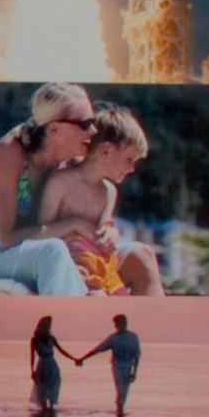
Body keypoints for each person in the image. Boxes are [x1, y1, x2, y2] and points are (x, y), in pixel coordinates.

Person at [0, 82, 95, 296]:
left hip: (33, 256)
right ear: (54, 128)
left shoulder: (71, 163)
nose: (93, 131)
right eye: (85, 124)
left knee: (136, 254)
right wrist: (72, 225)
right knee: (53, 251)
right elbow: (6, 239)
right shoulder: (10, 152)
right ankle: (72, 327)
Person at [31, 105, 151, 296]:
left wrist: (111, 232)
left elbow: (105, 227)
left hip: (100, 264)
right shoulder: (61, 182)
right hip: (71, 262)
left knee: (144, 259)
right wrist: (74, 224)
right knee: (94, 290)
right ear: (106, 151)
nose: (132, 169)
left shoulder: (108, 191)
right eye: (130, 159)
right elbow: (39, 234)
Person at [75, 313, 144, 417]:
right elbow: (98, 349)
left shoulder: (133, 337)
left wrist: (134, 373)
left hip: (128, 367)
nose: (119, 325)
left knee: (124, 391)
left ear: (125, 323)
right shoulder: (113, 338)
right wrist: (82, 358)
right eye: (117, 323)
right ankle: (120, 413)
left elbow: (136, 355)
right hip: (117, 366)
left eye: (122, 323)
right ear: (115, 325)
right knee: (120, 389)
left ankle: (120, 412)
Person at [27, 314, 64, 417]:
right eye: (48, 325)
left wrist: (75, 359)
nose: (50, 327)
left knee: (53, 386)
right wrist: (32, 371)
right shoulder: (34, 339)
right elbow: (32, 356)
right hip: (43, 365)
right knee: (42, 389)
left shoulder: (51, 338)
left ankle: (50, 411)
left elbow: (62, 351)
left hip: (51, 365)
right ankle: (45, 413)